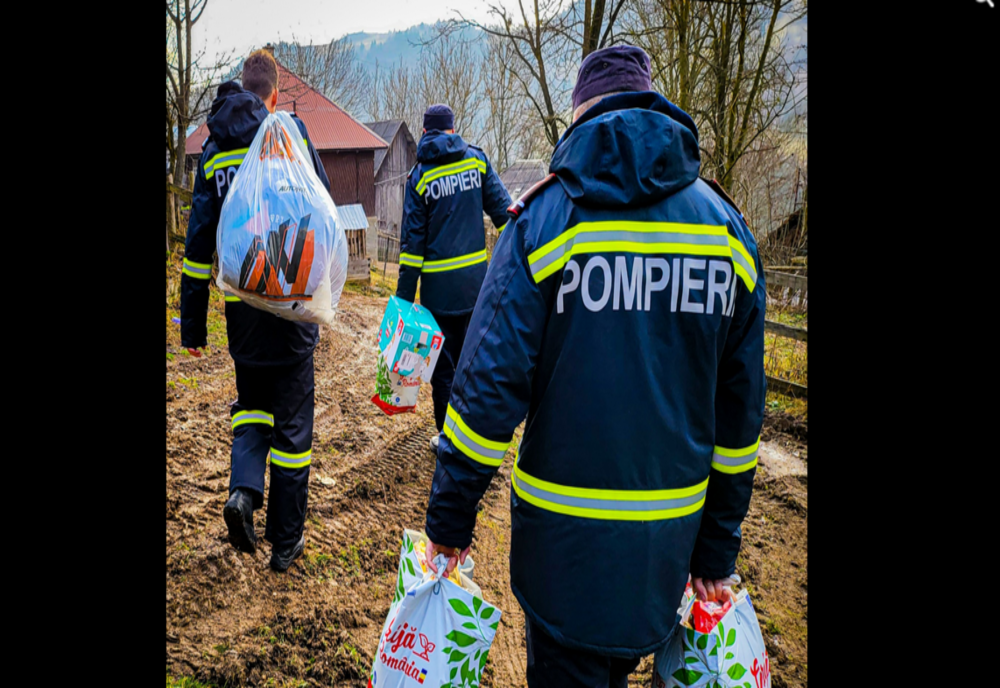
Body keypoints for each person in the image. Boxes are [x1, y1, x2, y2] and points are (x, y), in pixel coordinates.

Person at [421, 45, 766, 687]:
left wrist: (449, 520)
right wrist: (717, 550)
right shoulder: (728, 235)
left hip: (563, 558)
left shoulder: (547, 224)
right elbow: (740, 423)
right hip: (667, 554)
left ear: (580, 112)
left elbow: (487, 393)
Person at [180, 48, 331, 572]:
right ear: (272, 95)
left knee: (250, 406)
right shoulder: (288, 134)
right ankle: (285, 543)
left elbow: (198, 246)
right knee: (292, 422)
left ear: (242, 88)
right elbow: (323, 205)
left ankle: (243, 493)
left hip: (241, 309)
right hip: (289, 302)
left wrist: (192, 327)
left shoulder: (215, 149)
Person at [394, 105, 511, 450]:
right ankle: (476, 438)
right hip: (478, 291)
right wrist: (505, 271)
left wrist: (402, 302)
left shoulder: (420, 178)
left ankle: (449, 441)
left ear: (426, 132)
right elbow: (507, 217)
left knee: (443, 372)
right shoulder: (476, 161)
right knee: (472, 365)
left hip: (438, 297)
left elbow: (412, 249)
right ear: (453, 129)